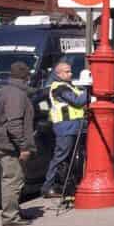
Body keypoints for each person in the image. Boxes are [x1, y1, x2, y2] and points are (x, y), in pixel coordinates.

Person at [0, 61, 37, 226]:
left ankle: (13, 210)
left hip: (2, 143)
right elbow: (14, 124)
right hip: (11, 146)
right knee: (12, 181)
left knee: (12, 180)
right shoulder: (17, 95)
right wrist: (23, 146)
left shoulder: (3, 91)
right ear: (26, 77)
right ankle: (10, 216)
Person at [44, 61, 89, 196]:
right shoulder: (59, 87)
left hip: (76, 125)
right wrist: (89, 89)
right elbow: (77, 101)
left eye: (70, 71)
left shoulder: (70, 86)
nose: (70, 73)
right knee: (60, 157)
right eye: (67, 71)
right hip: (65, 126)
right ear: (58, 74)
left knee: (73, 158)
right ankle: (48, 186)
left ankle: (67, 184)